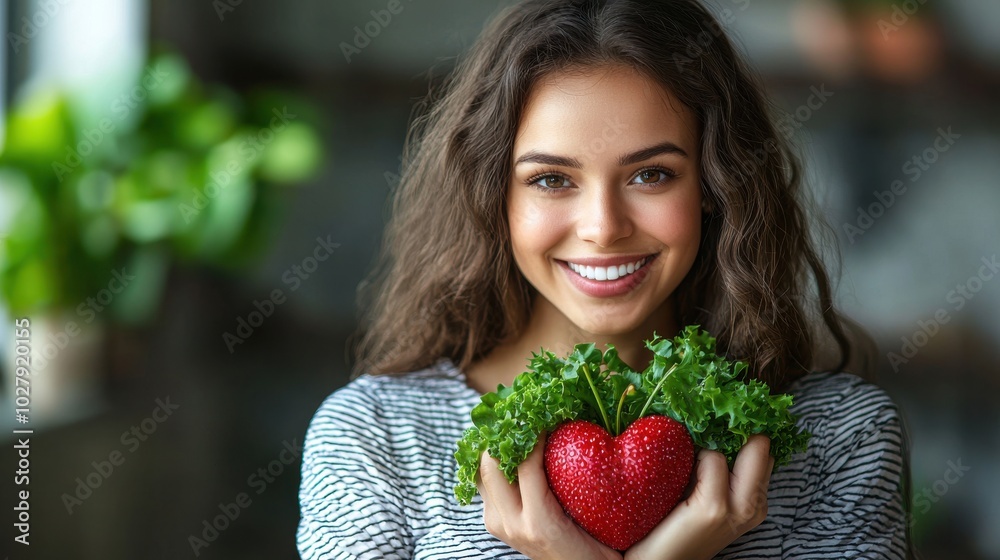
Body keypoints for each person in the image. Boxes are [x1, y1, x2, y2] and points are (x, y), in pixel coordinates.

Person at [297, 0, 912, 558]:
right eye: (551, 179)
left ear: (716, 188)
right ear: (494, 197)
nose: (603, 228)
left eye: (650, 175)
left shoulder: (840, 439)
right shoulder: (377, 439)